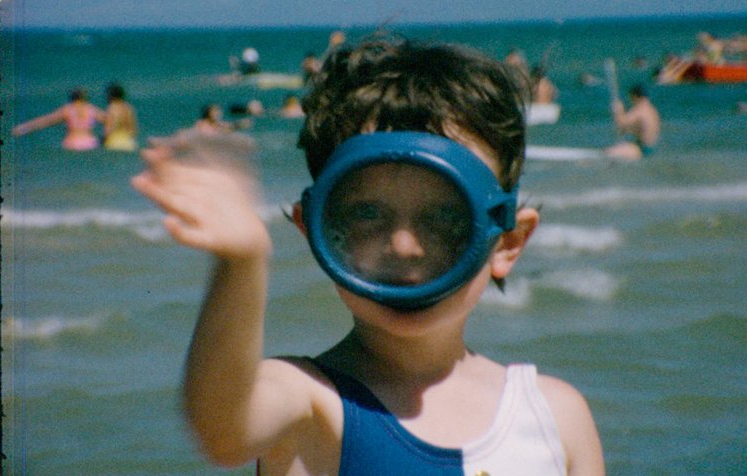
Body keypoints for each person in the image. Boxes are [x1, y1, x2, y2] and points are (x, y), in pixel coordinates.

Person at [131, 35, 604, 475]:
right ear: (317, 232)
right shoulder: (310, 400)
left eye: (444, 219)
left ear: (507, 242)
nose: (403, 246)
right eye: (367, 214)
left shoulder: (556, 417)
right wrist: (242, 262)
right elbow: (223, 432)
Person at [12, 88, 105, 151]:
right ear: (85, 98)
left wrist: (22, 128)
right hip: (90, 143)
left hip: (72, 143)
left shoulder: (68, 109)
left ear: (72, 98)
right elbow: (110, 121)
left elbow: (45, 121)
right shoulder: (91, 109)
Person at [606, 84, 661, 160]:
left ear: (635, 96)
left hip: (641, 149)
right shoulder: (652, 110)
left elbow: (622, 123)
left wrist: (618, 110)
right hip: (650, 147)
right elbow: (640, 128)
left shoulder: (640, 110)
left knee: (609, 153)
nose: (631, 101)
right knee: (616, 150)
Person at [102, 82, 138, 152]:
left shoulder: (111, 108)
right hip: (129, 143)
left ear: (110, 95)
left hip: (114, 143)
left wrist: (102, 140)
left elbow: (108, 129)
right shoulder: (129, 108)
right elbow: (134, 130)